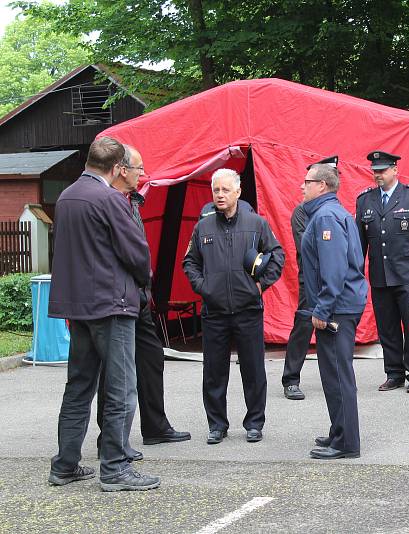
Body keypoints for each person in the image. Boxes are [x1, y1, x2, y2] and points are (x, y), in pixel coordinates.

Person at [48, 136, 160, 491]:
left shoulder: (66, 197)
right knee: (121, 388)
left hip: (78, 306)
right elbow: (136, 254)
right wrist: (144, 283)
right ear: (116, 169)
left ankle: (65, 464)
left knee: (79, 386)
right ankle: (114, 467)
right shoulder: (112, 199)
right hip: (112, 305)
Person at [96, 145, 191, 461]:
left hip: (139, 298)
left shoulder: (132, 201)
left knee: (152, 359)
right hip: (117, 298)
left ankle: (155, 427)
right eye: (139, 169)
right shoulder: (107, 200)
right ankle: (109, 440)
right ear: (122, 169)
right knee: (113, 371)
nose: (142, 175)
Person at [183, 168, 284, 445]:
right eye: (216, 190)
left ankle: (254, 423)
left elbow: (277, 254)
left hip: (248, 309)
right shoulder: (202, 226)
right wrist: (203, 287)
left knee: (253, 370)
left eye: (226, 190)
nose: (220, 195)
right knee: (214, 372)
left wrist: (261, 285)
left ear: (238, 192)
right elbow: (189, 262)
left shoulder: (256, 223)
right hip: (214, 312)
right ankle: (217, 425)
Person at [300, 163, 367, 459]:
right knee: (334, 372)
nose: (302, 186)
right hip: (341, 304)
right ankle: (339, 431)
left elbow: (334, 268)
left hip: (337, 307)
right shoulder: (333, 212)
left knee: (338, 374)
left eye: (307, 181)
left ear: (322, 186)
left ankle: (347, 443)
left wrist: (323, 309)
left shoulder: (326, 216)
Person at [356, 151, 409, 393]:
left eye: (383, 170)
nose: (378, 174)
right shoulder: (365, 200)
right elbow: (360, 243)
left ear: (395, 170)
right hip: (379, 275)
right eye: (375, 171)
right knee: (387, 327)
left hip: (407, 274)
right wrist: (357, 273)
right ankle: (394, 373)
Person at [281, 156, 338, 400]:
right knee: (304, 326)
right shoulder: (302, 212)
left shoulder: (335, 210)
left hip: (334, 279)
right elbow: (308, 249)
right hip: (312, 280)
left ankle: (336, 377)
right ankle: (291, 378)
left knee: (336, 328)